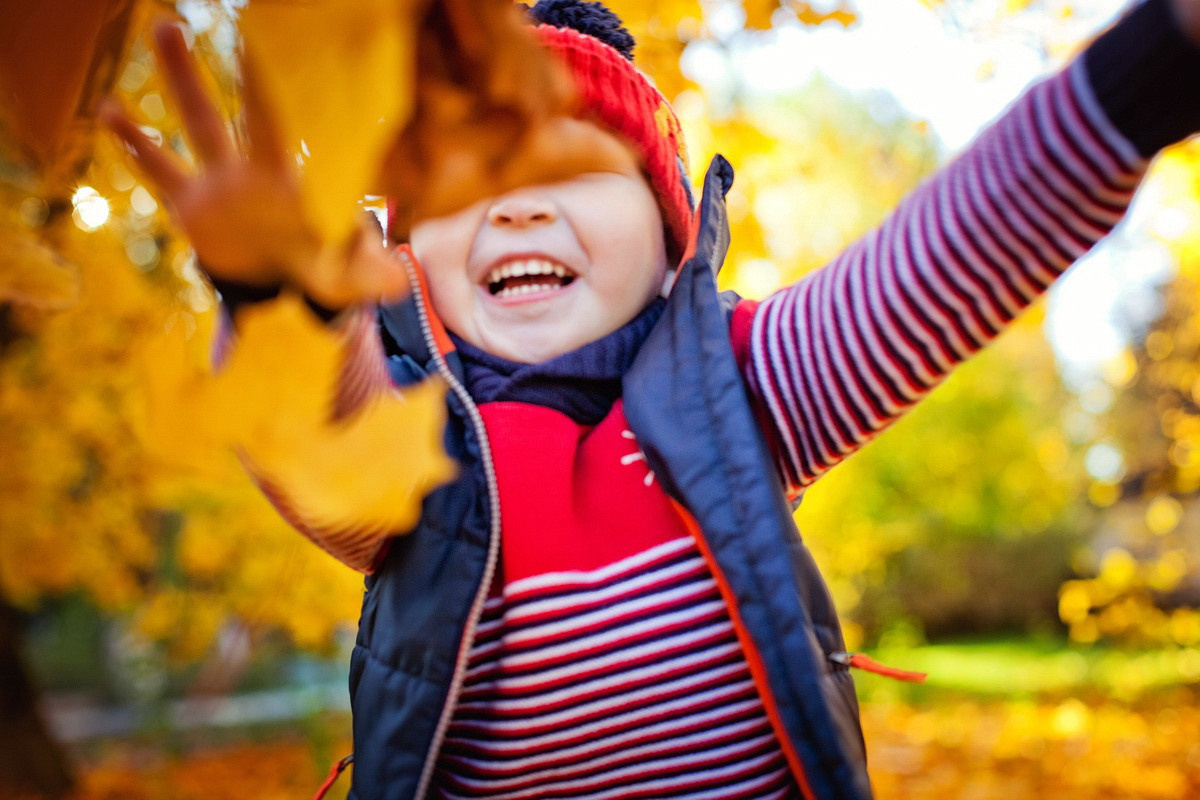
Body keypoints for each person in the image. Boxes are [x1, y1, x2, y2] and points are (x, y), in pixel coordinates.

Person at [104, 0, 1200, 797]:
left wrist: (1151, 68)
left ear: (672, 234)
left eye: (569, 171)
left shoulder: (739, 389)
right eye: (467, 189)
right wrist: (272, 294)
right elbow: (311, 440)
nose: (518, 212)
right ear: (404, 261)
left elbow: (937, 259)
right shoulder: (413, 444)